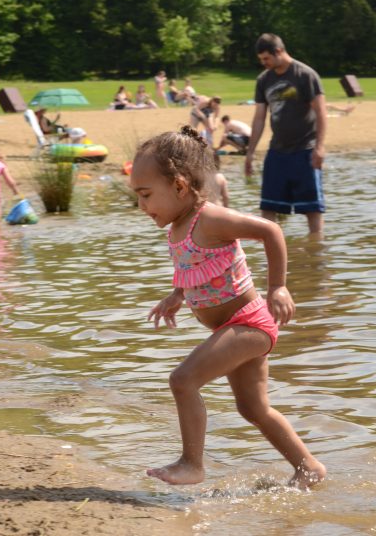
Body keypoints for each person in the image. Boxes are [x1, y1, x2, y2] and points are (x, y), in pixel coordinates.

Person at [129, 126, 326, 487]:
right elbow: (193, 267)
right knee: (253, 408)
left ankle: (192, 464)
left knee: (182, 380)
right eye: (136, 197)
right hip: (234, 328)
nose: (141, 206)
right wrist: (177, 295)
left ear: (179, 186)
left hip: (249, 324)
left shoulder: (210, 218)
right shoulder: (178, 225)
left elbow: (271, 231)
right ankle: (308, 467)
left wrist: (278, 287)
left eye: (145, 195)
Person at [245, 33, 327, 236]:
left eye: (266, 58)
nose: (264, 63)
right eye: (261, 59)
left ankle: (315, 250)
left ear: (279, 51)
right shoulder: (264, 80)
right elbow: (259, 118)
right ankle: (271, 248)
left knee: (312, 208)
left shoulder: (305, 75)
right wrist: (250, 152)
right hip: (277, 152)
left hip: (305, 150)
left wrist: (320, 147)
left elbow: (320, 112)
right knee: (268, 207)